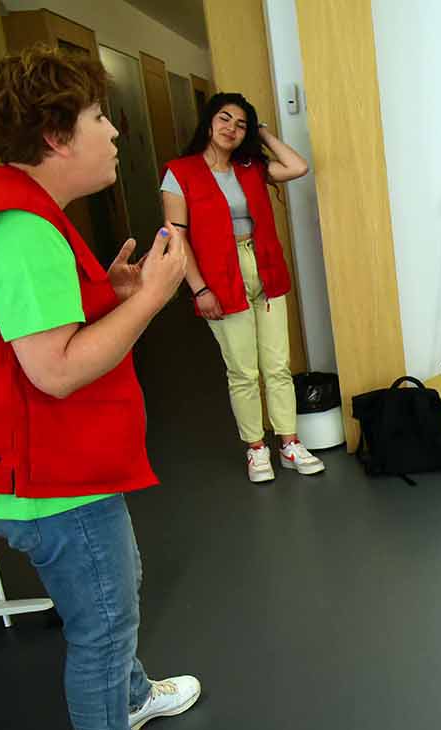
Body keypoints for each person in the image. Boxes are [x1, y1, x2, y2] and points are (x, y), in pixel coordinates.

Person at [0, 45, 212, 730]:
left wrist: (108, 294)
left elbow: (35, 329)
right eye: (96, 118)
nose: (114, 133)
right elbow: (54, 371)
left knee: (116, 587)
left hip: (37, 461)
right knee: (104, 622)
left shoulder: (17, 204)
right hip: (40, 476)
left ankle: (133, 695)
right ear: (56, 136)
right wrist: (151, 297)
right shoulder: (20, 231)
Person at [160, 93, 319, 483]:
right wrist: (199, 289)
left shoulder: (251, 167)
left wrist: (261, 132)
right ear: (208, 122)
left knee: (278, 365)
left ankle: (289, 443)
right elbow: (177, 239)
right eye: (225, 118)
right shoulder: (180, 172)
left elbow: (298, 166)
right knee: (243, 370)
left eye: (241, 124)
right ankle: (256, 448)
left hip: (263, 267)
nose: (231, 128)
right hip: (218, 275)